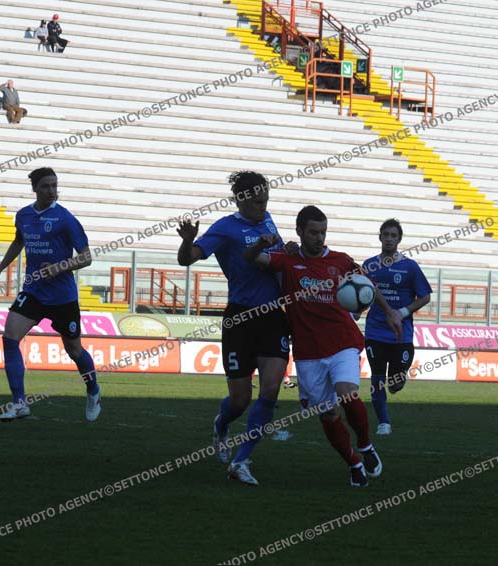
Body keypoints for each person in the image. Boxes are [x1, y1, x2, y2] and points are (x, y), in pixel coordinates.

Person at [246, 205, 403, 487]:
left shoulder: (341, 261)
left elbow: (367, 285)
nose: (319, 238)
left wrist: (390, 311)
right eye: (313, 232)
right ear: (300, 232)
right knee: (328, 414)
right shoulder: (287, 260)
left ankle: (366, 446)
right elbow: (252, 257)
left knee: (347, 394)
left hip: (343, 341)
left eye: (323, 232)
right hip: (308, 352)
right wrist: (261, 244)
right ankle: (354, 464)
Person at [176, 171, 290, 486]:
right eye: (257, 201)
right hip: (240, 319)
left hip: (272, 317)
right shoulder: (225, 228)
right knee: (239, 401)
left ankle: (242, 461)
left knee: (270, 390)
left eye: (266, 200)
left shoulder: (268, 222)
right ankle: (221, 423)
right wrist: (187, 241)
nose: (263, 206)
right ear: (240, 200)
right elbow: (187, 259)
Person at [0, 167, 99, 421]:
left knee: (74, 351)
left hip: (62, 297)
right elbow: (18, 242)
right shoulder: (23, 215)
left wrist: (59, 267)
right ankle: (19, 403)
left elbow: (87, 257)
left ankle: (93, 390)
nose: (51, 191)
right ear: (35, 188)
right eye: (46, 186)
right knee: (10, 337)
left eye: (54, 186)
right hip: (33, 291)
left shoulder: (65, 218)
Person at [361, 219, 431, 435]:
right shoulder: (369, 266)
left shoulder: (410, 267)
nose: (389, 239)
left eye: (393, 235)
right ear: (380, 237)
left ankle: (398, 381)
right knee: (377, 378)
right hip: (375, 332)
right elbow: (362, 293)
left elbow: (425, 296)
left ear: (399, 239)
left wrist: (402, 313)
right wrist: (356, 309)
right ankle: (384, 423)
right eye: (386, 235)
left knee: (395, 384)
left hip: (401, 335)